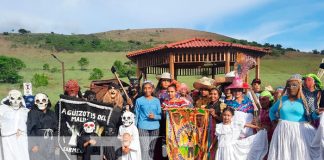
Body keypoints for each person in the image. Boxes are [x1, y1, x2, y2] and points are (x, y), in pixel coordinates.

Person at [268, 74, 322, 160]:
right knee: (284, 154)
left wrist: (317, 112)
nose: (291, 88)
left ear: (299, 87)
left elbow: (311, 116)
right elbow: (271, 111)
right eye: (288, 86)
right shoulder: (282, 99)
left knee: (300, 154)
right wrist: (274, 120)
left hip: (300, 132)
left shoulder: (304, 100)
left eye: (294, 85)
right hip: (283, 131)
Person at [135, 80, 162, 160]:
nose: (147, 90)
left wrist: (155, 116)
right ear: (143, 90)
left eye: (149, 88)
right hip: (143, 127)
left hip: (155, 127)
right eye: (145, 88)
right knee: (145, 149)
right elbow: (136, 115)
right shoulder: (139, 100)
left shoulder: (156, 101)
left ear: (152, 89)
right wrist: (134, 129)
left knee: (152, 149)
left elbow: (160, 116)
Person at [0, 90, 30, 160]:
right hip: (7, 139)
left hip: (21, 138)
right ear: (9, 99)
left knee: (22, 156)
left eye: (18, 99)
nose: (15, 101)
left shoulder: (25, 111)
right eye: (13, 99)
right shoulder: (3, 109)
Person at [27, 93, 58, 160]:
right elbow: (30, 129)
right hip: (38, 141)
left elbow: (56, 128)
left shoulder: (52, 113)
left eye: (43, 100)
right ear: (35, 102)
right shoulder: (32, 113)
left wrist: (56, 142)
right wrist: (33, 144)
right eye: (38, 101)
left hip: (50, 140)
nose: (41, 103)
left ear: (47, 101)